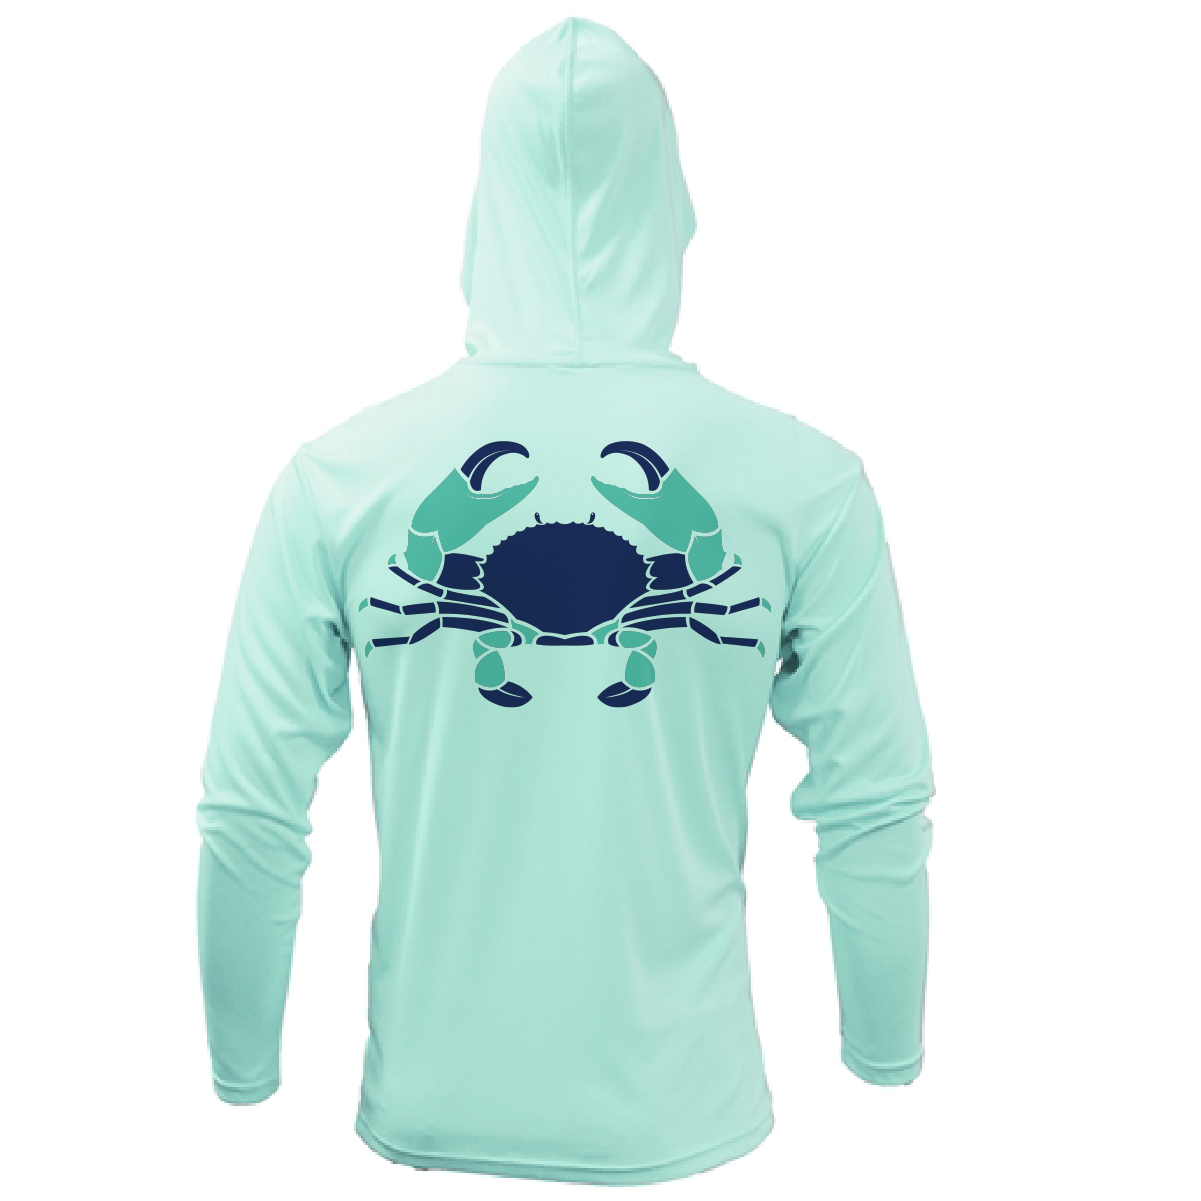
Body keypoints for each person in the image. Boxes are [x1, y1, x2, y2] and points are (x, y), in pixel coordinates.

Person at [197, 16, 935, 1186]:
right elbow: (875, 801)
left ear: (481, 212)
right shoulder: (805, 485)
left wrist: (244, 1068)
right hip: (685, 1114)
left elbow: (250, 808)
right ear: (674, 211)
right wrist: (883, 1049)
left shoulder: (342, 480)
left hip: (428, 1105)